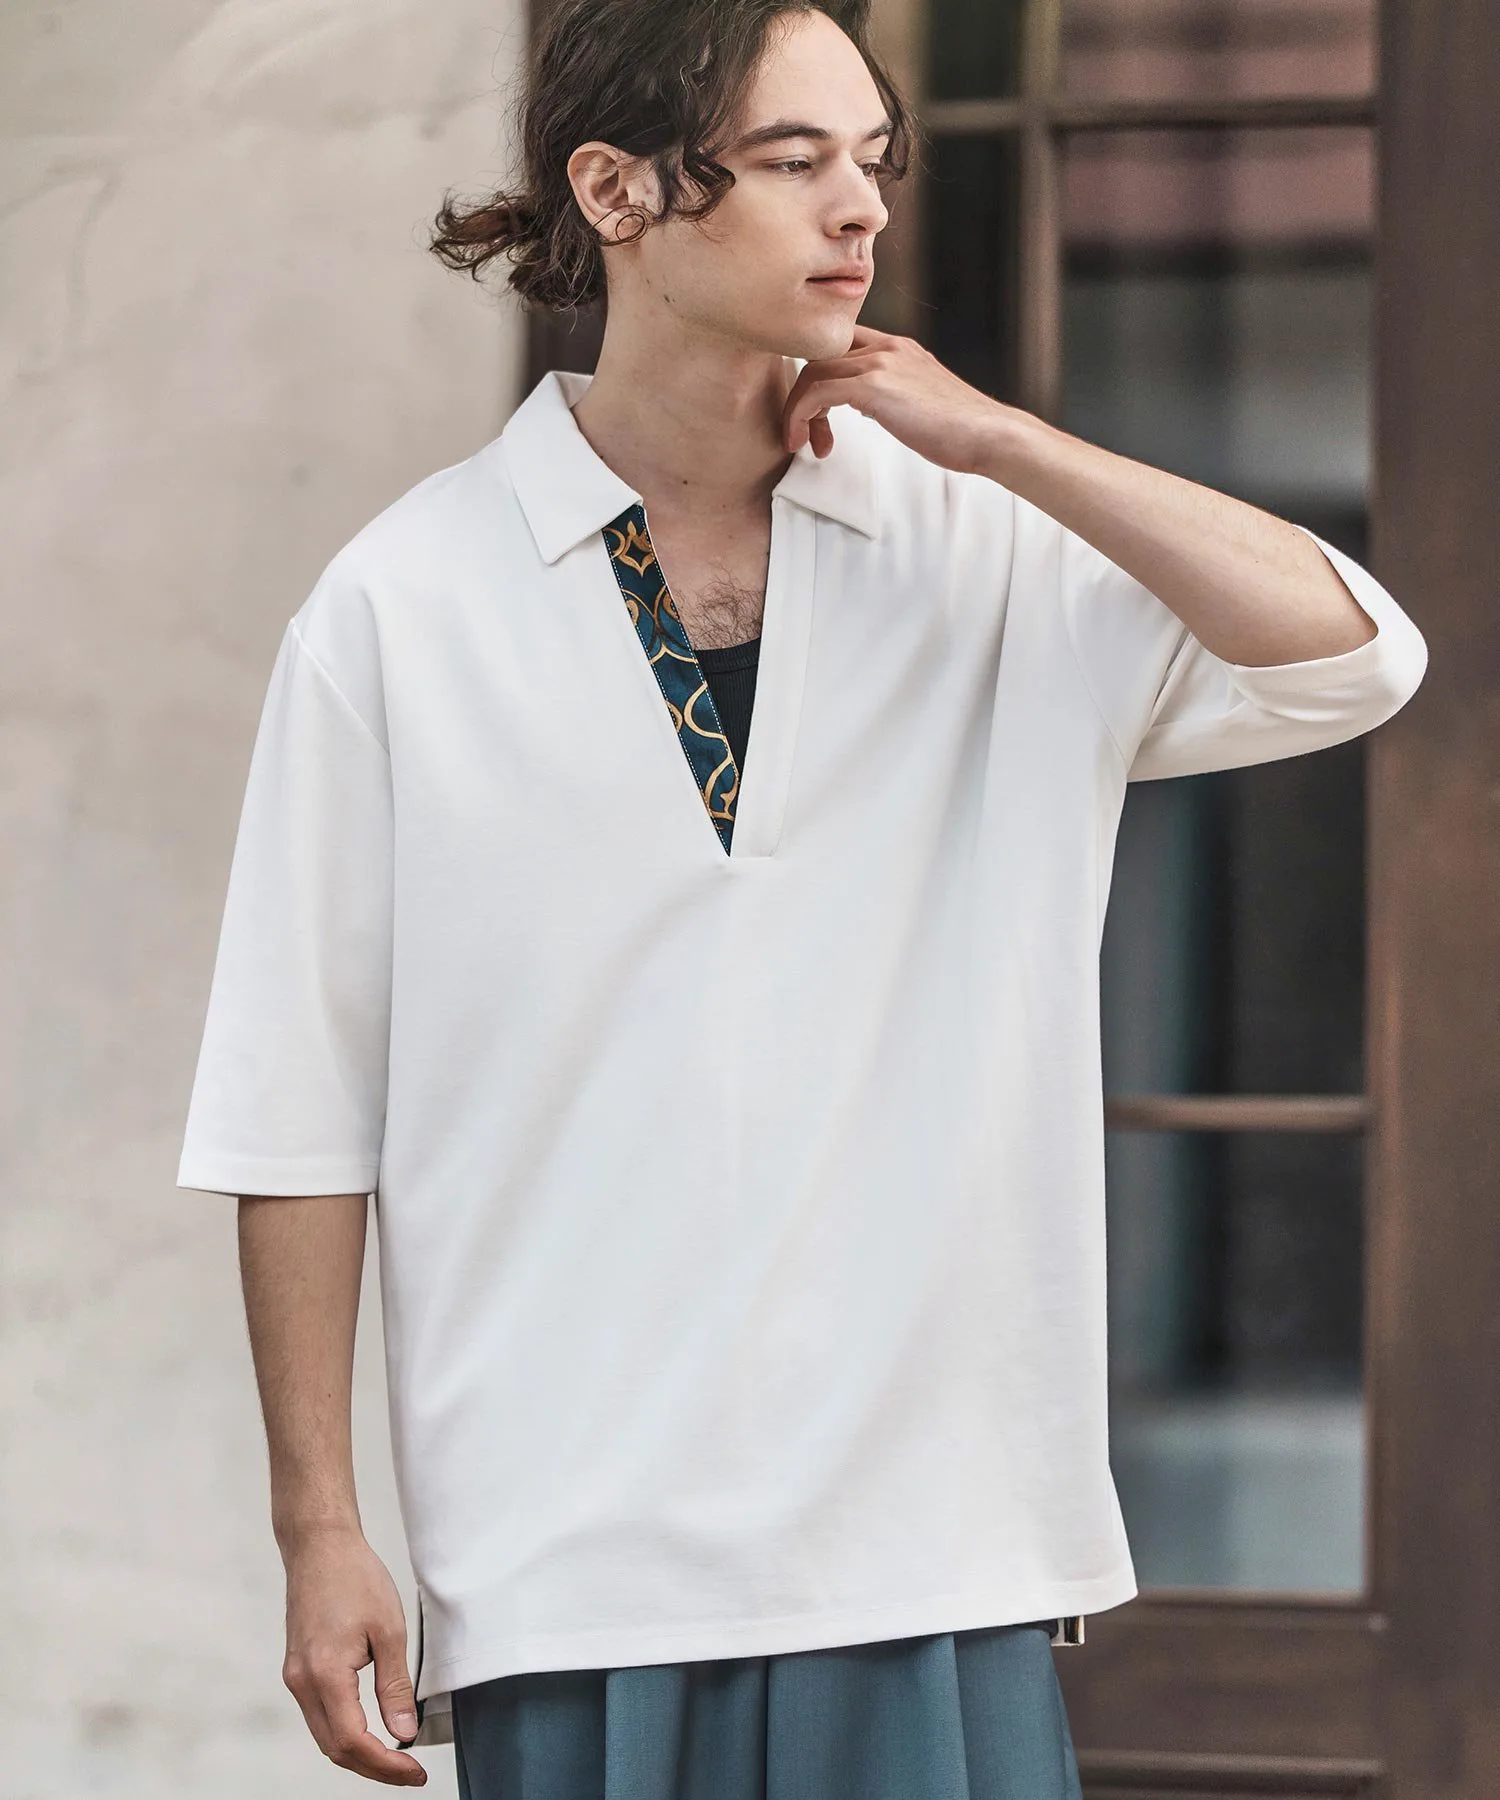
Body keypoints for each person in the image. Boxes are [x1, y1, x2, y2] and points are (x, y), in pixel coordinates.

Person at [176, 0, 1429, 1793]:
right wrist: (319, 1528)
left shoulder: (984, 545)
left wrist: (1004, 445)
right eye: (791, 161)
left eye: (874, 161)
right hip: (569, 1560)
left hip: (935, 1545)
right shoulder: (402, 607)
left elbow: (1356, 658)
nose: (861, 209)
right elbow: (298, 1109)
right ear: (614, 190)